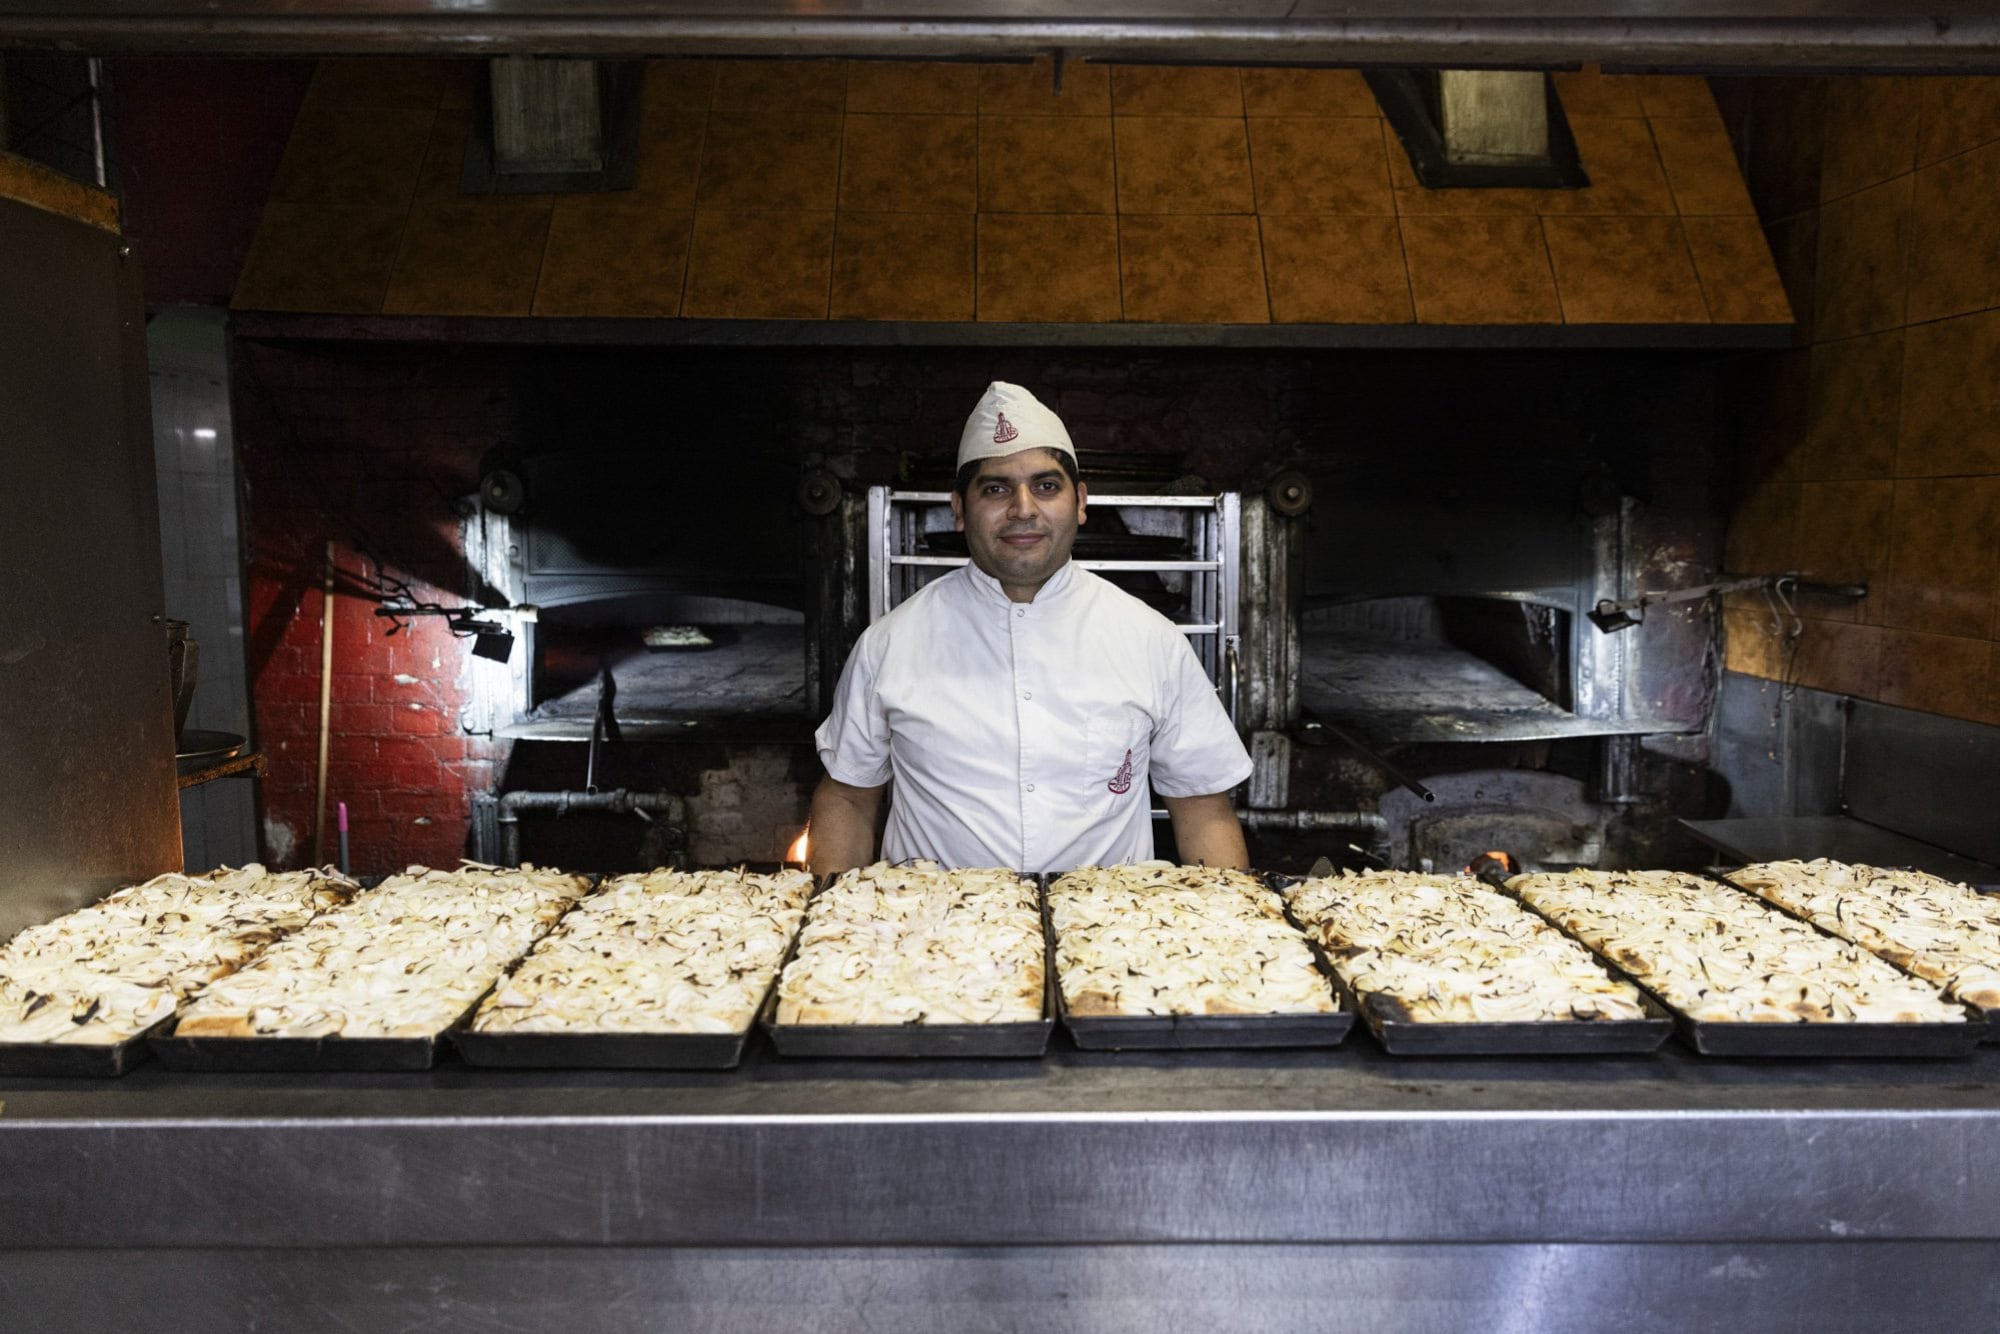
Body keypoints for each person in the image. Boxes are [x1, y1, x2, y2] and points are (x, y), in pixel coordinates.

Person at [809, 381, 1252, 876]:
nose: (1023, 508)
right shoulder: (889, 645)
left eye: (1046, 486)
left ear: (1080, 502)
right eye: (996, 489)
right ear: (959, 509)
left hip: (1103, 933)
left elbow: (1202, 809)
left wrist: (1234, 932)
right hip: (933, 935)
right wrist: (828, 926)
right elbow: (848, 797)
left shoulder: (1152, 641)